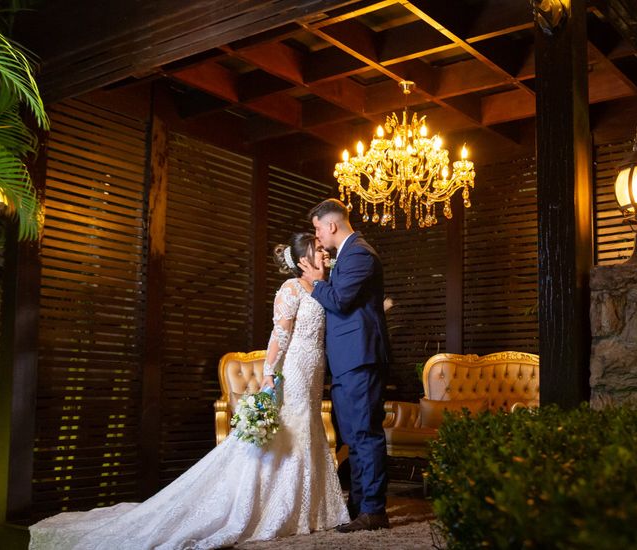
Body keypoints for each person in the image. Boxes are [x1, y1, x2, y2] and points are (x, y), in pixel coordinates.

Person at [29, 233, 349, 550]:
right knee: (294, 430)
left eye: (323, 249)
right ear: (303, 259)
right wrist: (268, 374)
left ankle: (310, 509)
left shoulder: (322, 289)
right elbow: (279, 335)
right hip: (293, 370)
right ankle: (276, 508)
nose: (325, 254)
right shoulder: (290, 288)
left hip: (314, 371)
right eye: (318, 250)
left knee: (307, 428)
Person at [298, 198, 391, 533]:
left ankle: (374, 510)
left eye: (318, 228)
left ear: (332, 225)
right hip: (347, 359)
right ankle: (358, 505)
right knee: (353, 434)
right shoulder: (347, 255)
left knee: (365, 433)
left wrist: (317, 282)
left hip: (361, 357)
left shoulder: (360, 254)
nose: (318, 236)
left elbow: (338, 302)